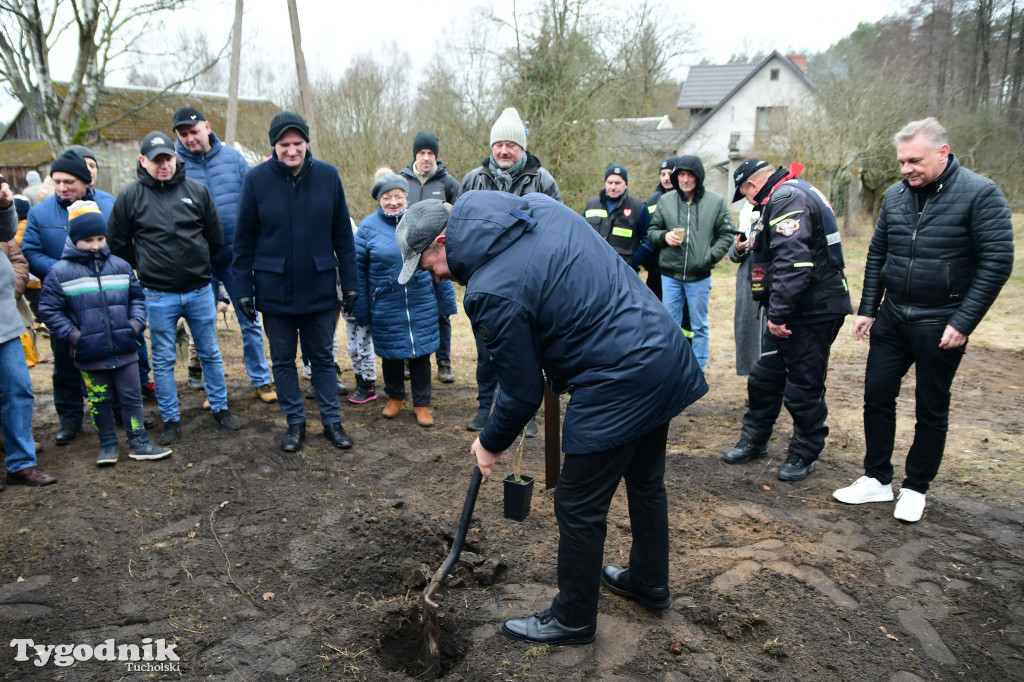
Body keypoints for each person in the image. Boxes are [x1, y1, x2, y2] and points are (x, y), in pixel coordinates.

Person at [395, 193, 708, 645]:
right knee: (644, 479)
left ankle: (574, 617)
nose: (435, 276)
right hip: (659, 347)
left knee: (577, 503)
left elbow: (521, 393)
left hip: (618, 374)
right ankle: (648, 581)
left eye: (428, 265)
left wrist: (488, 442)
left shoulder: (488, 290)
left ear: (443, 242)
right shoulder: (534, 208)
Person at [833, 117, 1014, 522]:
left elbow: (997, 262)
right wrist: (867, 309)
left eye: (914, 160)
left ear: (942, 153)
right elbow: (878, 253)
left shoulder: (981, 194)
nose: (906, 169)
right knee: (877, 397)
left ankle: (915, 488)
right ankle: (877, 479)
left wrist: (963, 320)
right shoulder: (896, 197)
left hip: (942, 322)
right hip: (893, 317)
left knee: (931, 407)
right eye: (901, 162)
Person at [232, 111, 357, 453]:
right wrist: (242, 289)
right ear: (273, 146)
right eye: (284, 145)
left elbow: (343, 237)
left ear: (306, 143)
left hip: (318, 287)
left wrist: (350, 283)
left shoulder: (328, 176)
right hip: (275, 290)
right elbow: (243, 240)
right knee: (284, 359)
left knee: (323, 359)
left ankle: (332, 421)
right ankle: (295, 422)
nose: (291, 151)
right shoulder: (256, 180)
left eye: (297, 144)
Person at [108, 131, 241, 445]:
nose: (163, 165)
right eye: (156, 161)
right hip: (157, 293)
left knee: (209, 352)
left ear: (176, 157)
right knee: (164, 359)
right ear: (143, 161)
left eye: (167, 158)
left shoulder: (196, 191)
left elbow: (215, 236)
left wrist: (198, 266)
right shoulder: (130, 197)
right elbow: (118, 243)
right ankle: (171, 418)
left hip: (198, 289)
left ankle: (221, 408)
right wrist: (146, 266)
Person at [723, 158, 852, 482]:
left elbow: (794, 263)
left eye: (746, 195)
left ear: (752, 186)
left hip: (811, 310)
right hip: (793, 308)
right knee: (764, 378)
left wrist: (778, 314)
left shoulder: (787, 197)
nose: (751, 203)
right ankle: (755, 440)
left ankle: (804, 452)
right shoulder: (788, 194)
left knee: (803, 385)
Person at [37, 200, 171, 465]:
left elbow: (136, 298)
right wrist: (75, 336)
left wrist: (134, 324)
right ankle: (108, 445)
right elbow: (50, 311)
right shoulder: (59, 273)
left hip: (125, 349)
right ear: (74, 239)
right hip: (89, 354)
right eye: (88, 240)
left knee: (132, 398)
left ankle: (139, 442)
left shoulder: (120, 266)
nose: (96, 245)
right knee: (99, 401)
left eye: (100, 238)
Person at [461, 107, 562, 435]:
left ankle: (527, 413)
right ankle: (483, 408)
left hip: (529, 282)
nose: (504, 151)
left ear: (522, 148)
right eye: (498, 144)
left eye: (511, 145)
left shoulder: (542, 180)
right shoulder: (473, 180)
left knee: (526, 349)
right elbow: (459, 230)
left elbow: (556, 228)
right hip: (486, 279)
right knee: (485, 348)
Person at [173, 106, 277, 404]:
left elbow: (254, 200)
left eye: (194, 132)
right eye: (183, 134)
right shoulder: (176, 165)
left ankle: (260, 379)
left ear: (206, 127)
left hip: (236, 255)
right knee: (204, 326)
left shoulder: (233, 158)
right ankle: (214, 389)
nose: (190, 139)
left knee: (249, 318)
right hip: (198, 259)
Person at [22, 150, 116, 445]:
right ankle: (71, 419)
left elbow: (121, 244)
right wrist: (64, 272)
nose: (62, 187)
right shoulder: (39, 213)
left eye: (69, 181)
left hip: (103, 296)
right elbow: (31, 251)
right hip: (63, 300)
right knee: (65, 361)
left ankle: (119, 413)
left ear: (86, 181)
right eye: (57, 181)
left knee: (111, 357)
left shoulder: (109, 206)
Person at [353, 172, 456, 427]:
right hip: (386, 305)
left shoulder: (420, 222)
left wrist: (447, 303)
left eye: (398, 196)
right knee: (391, 354)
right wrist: (362, 309)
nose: (393, 201)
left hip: (422, 302)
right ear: (379, 200)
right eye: (387, 197)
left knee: (422, 356)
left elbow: (443, 260)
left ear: (406, 197)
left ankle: (422, 404)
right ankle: (395, 398)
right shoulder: (367, 229)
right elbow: (359, 272)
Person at [647, 156, 734, 373]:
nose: (685, 180)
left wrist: (709, 256)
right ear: (676, 178)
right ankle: (672, 368)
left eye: (690, 175)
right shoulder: (666, 201)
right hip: (670, 275)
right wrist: (665, 237)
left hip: (699, 276)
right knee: (671, 326)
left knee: (699, 326)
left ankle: (698, 369)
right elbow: (652, 232)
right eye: (681, 175)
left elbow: (726, 234)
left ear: (698, 177)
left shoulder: (715, 202)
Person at [0, 176, 57, 490]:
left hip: (4, 315)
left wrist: (6, 205)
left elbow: (8, 234)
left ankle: (21, 463)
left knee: (18, 389)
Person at [401, 130, 461, 384]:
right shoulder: (403, 182)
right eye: (422, 152)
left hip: (441, 256)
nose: (426, 158)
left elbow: (458, 218)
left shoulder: (447, 183)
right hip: (418, 258)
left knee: (442, 313)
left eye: (431, 153)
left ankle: (444, 361)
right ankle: (408, 359)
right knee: (413, 311)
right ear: (415, 154)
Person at [582, 163, 654, 267]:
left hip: (624, 270)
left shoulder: (638, 207)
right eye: (610, 182)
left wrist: (633, 260)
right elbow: (581, 232)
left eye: (618, 183)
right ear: (605, 183)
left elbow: (650, 238)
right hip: (594, 266)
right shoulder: (591, 205)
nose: (613, 187)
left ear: (626, 184)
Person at [729, 201, 764, 376]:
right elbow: (733, 255)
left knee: (766, 336)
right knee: (748, 334)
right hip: (747, 280)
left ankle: (771, 387)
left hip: (768, 280)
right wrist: (738, 248)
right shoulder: (745, 213)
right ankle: (755, 384)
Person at [642, 156, 678, 301]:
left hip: (677, 265)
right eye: (663, 174)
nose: (666, 178)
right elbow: (647, 230)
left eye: (670, 174)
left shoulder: (685, 198)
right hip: (655, 266)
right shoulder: (653, 199)